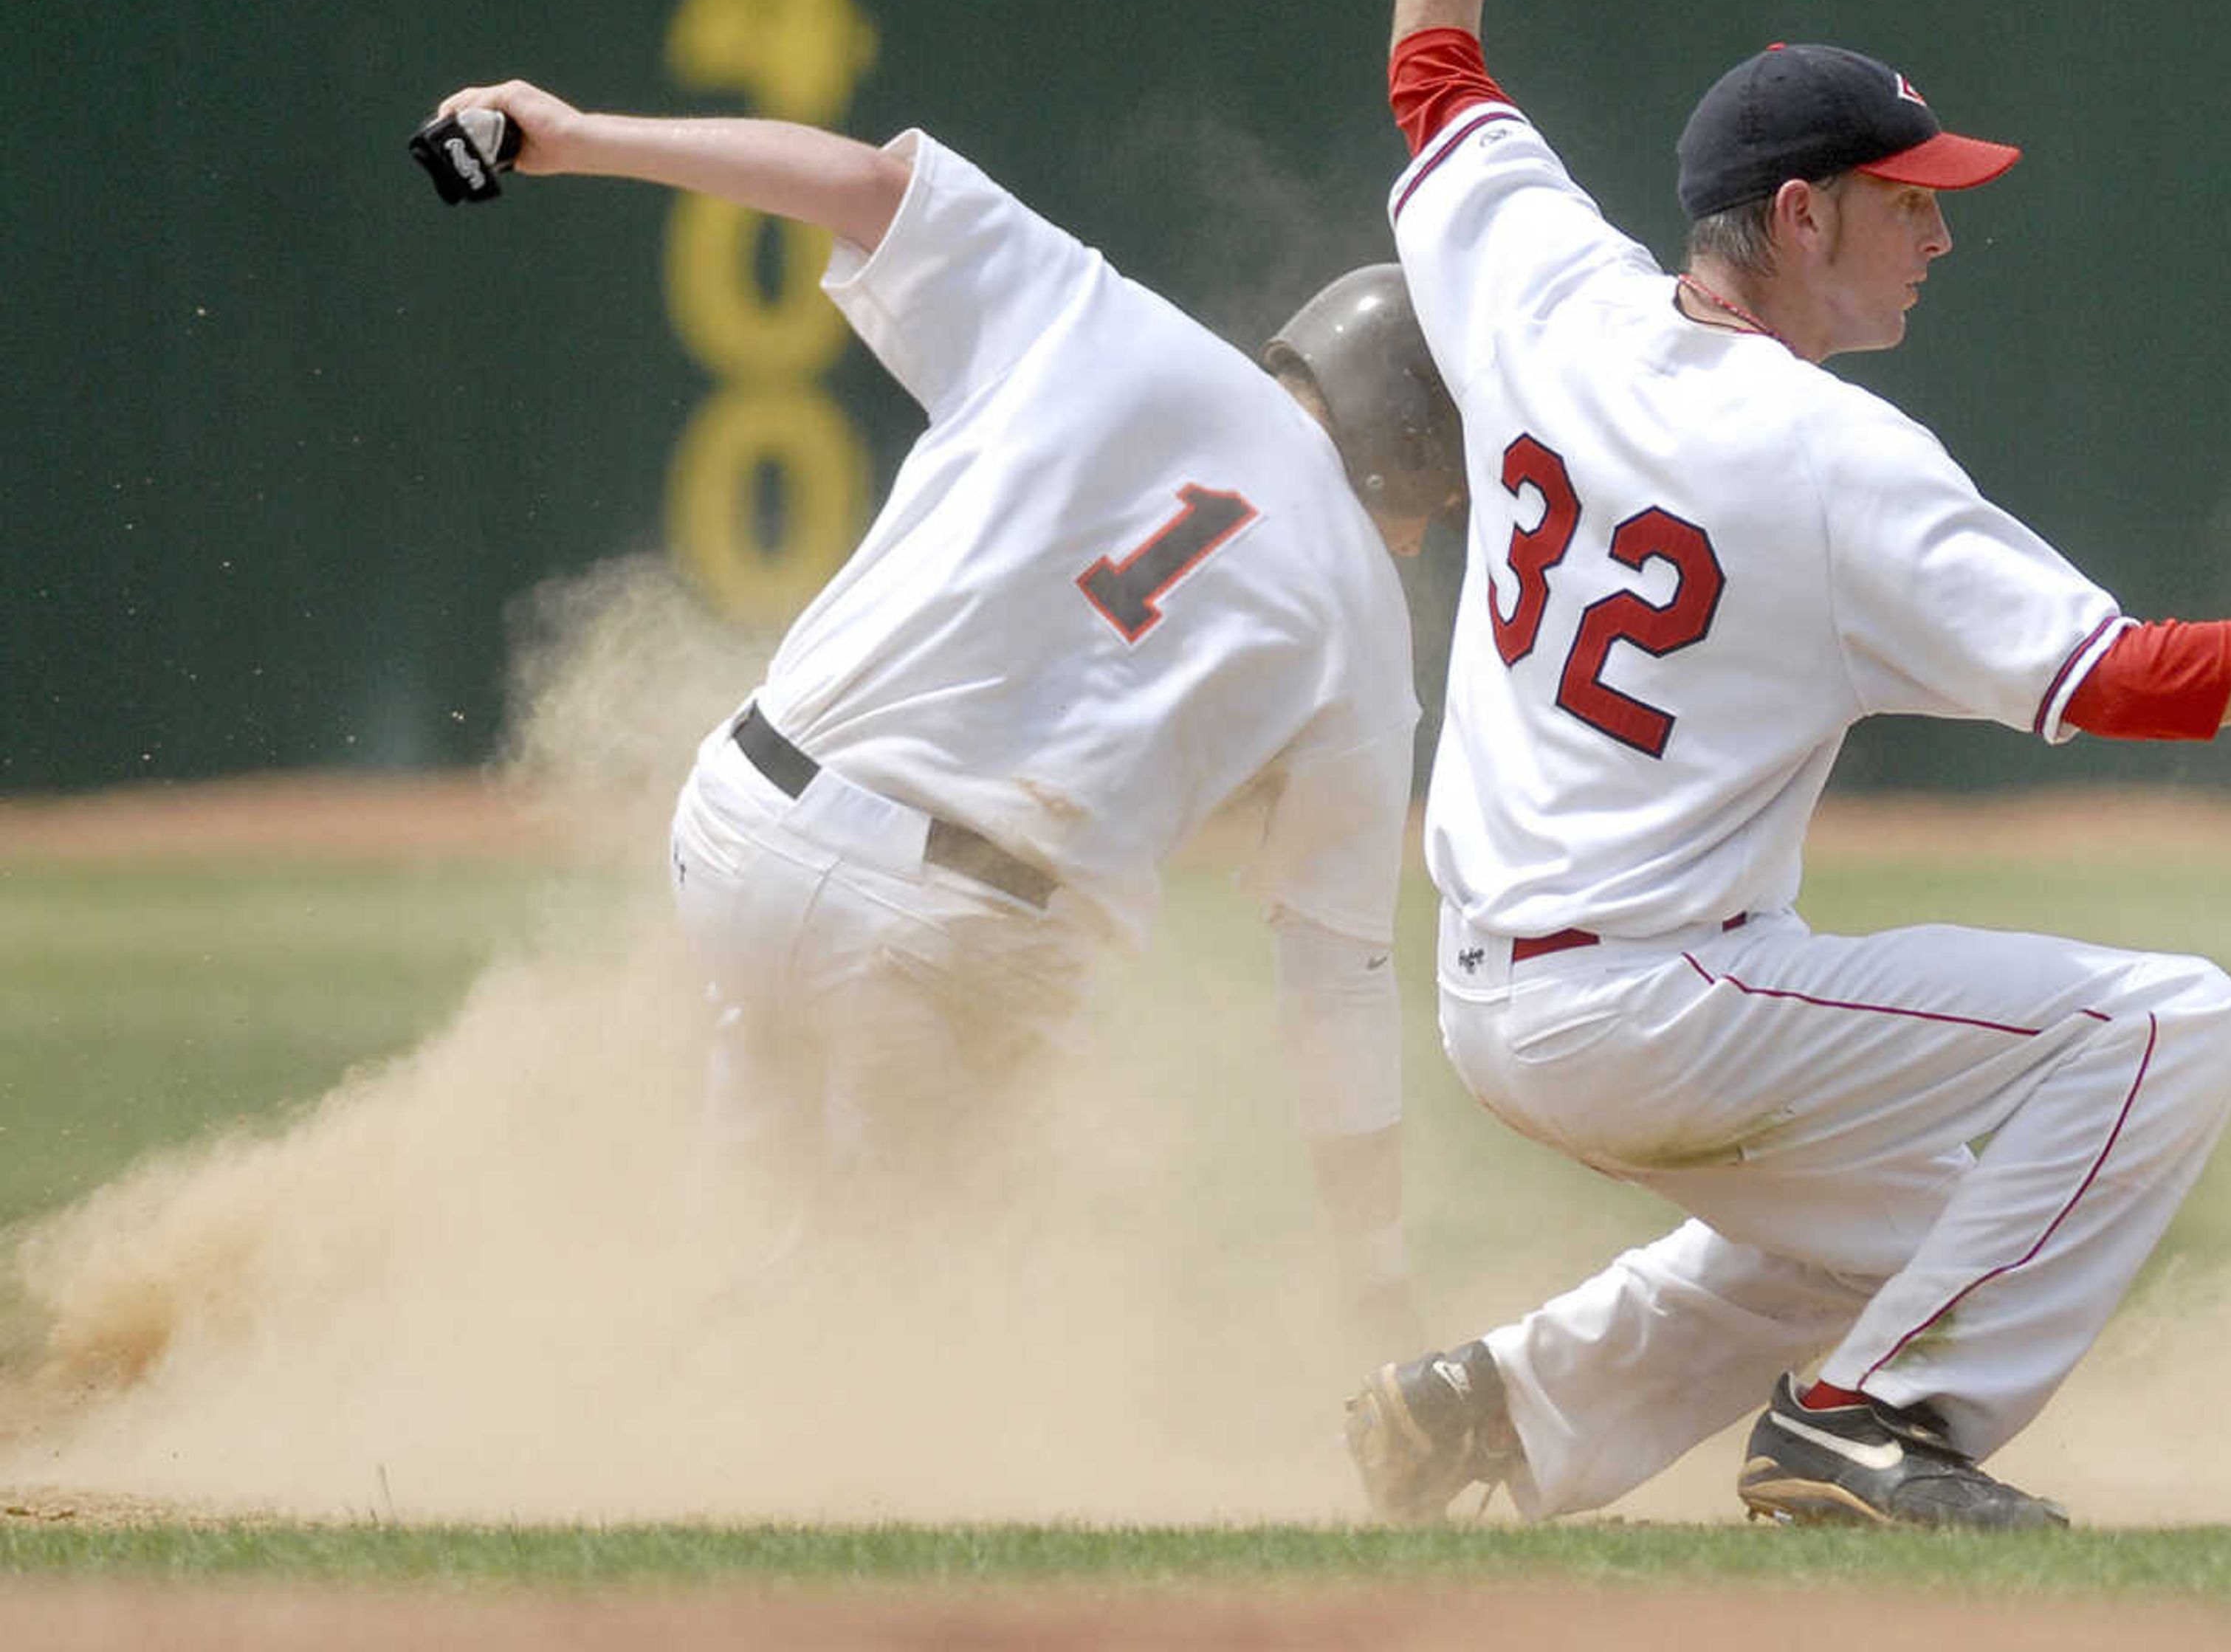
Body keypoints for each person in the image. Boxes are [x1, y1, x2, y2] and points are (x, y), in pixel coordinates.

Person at [1338, 0, 2231, 1533]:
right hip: (1662, 996)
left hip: (1495, 990)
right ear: (1800, 214)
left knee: (1935, 1224)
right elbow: (2125, 680)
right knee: (2165, 1021)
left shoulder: (1541, 290)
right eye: (1910, 197)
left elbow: (1433, 65)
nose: (1945, 228)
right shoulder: (1827, 461)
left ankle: (1492, 1411)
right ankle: (1875, 1426)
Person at [428, 78, 1461, 1338]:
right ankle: (695, 1351)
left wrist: (584, 140)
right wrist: (1373, 1269)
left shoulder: (1104, 320)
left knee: (777, 1121)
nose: (1423, 539)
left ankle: (620, 1326)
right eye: (1441, 503)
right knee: (958, 1297)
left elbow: (866, 187)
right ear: (1412, 452)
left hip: (736, 826)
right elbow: (1336, 982)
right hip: (946, 934)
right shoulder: (1364, 623)